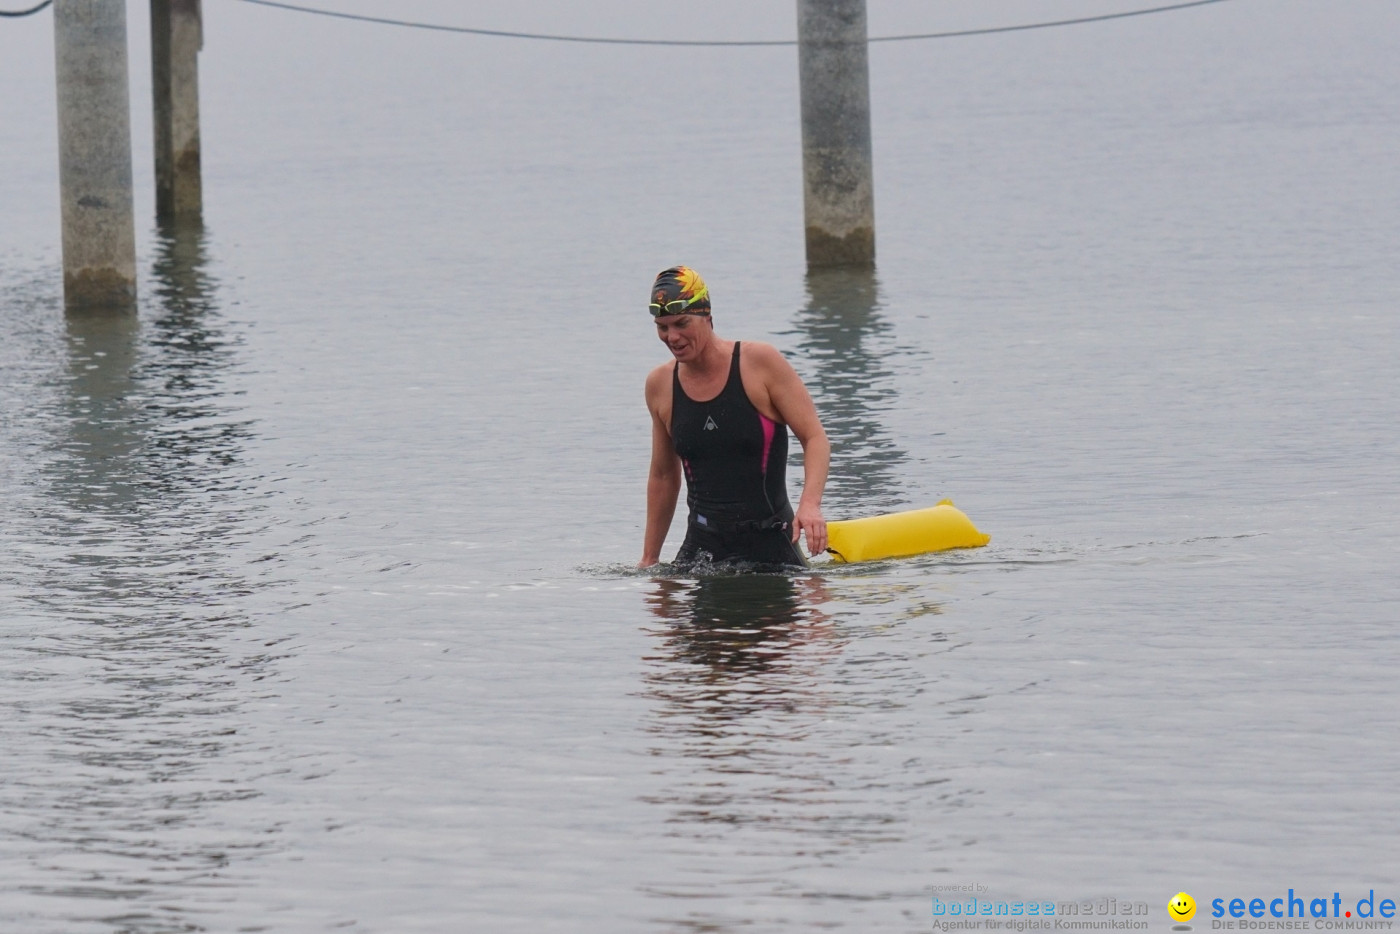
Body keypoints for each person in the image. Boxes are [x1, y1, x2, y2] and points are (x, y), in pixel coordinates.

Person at [639, 266, 830, 569]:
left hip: (771, 545)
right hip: (702, 550)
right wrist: (649, 559)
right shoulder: (660, 385)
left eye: (681, 323)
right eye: (662, 327)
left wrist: (810, 505)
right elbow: (663, 476)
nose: (672, 337)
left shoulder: (759, 363)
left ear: (707, 317)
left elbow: (814, 438)